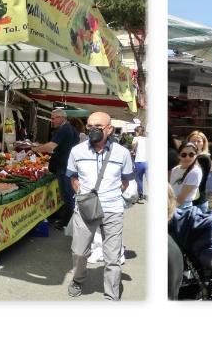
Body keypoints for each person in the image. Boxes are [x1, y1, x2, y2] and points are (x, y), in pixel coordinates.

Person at [66, 111, 134, 300]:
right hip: (85, 208)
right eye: (89, 126)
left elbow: (126, 181)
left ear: (109, 129)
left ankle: (111, 295)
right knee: (79, 251)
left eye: (98, 126)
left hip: (112, 209)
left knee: (112, 257)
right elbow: (73, 176)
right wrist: (81, 193)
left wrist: (110, 194)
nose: (93, 130)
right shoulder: (77, 151)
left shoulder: (123, 153)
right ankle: (78, 280)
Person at [32, 108, 79, 228]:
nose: (51, 121)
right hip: (68, 166)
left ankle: (69, 223)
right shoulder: (70, 129)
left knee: (67, 195)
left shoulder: (64, 129)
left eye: (53, 118)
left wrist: (35, 149)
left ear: (62, 118)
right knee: (68, 195)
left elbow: (51, 146)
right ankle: (68, 219)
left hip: (65, 167)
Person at [169, 142, 202, 209]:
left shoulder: (195, 172)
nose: (187, 158)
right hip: (172, 204)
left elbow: (181, 199)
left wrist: (169, 211)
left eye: (191, 154)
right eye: (184, 155)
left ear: (196, 155)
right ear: (179, 155)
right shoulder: (175, 169)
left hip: (183, 208)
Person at [186, 131, 211, 212]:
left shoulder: (203, 158)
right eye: (193, 141)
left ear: (203, 143)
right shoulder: (188, 156)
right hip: (188, 200)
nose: (196, 143)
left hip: (197, 202)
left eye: (199, 141)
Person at [131, 126, 148, 201]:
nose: (135, 133)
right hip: (148, 161)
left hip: (139, 162)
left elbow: (133, 148)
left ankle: (140, 195)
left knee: (139, 179)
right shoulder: (148, 139)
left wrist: (133, 151)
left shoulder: (136, 138)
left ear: (137, 132)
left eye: (135, 132)